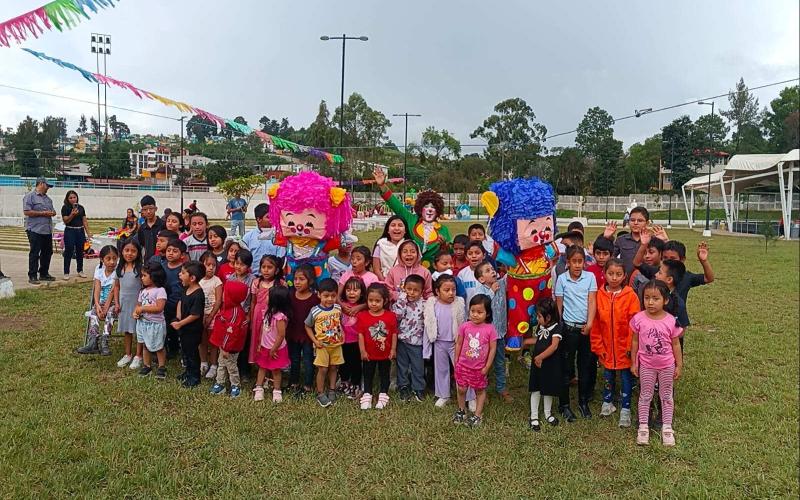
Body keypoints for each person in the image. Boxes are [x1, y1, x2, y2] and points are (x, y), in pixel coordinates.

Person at [631, 280, 684, 447]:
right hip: (646, 365)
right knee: (645, 395)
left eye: (655, 298)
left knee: (666, 396)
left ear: (665, 300)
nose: (650, 302)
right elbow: (634, 342)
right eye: (647, 298)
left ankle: (667, 428)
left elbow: (676, 344)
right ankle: (643, 427)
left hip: (667, 365)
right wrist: (634, 362)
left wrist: (679, 365)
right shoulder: (638, 319)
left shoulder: (671, 321)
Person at [590, 258, 640, 428]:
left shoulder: (631, 296)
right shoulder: (599, 295)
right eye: (610, 274)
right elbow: (596, 322)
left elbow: (634, 324)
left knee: (626, 377)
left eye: (618, 274)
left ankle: (626, 408)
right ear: (604, 274)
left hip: (623, 348)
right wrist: (598, 346)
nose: (614, 278)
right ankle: (607, 401)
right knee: (607, 375)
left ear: (624, 276)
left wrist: (629, 347)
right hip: (606, 347)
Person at [554, 245, 598, 421]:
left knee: (585, 366)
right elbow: (559, 305)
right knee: (566, 366)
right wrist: (559, 327)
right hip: (568, 329)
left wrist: (590, 323)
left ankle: (583, 401)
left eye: (581, 261)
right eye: (574, 262)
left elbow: (592, 301)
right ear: (568, 263)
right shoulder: (562, 279)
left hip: (585, 329)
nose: (578, 265)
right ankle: (564, 404)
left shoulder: (590, 278)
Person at [452, 295, 497, 428]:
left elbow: (493, 348)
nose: (475, 315)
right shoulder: (465, 326)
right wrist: (456, 359)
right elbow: (459, 343)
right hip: (463, 366)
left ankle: (477, 414)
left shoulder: (490, 329)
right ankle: (461, 410)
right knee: (461, 388)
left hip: (479, 368)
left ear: (487, 313)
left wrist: (487, 366)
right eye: (473, 311)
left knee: (479, 391)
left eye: (480, 312)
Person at [423, 274, 466, 408]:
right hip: (440, 342)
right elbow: (428, 325)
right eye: (446, 290)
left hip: (456, 343)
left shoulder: (459, 304)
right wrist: (426, 348)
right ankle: (443, 395)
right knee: (441, 370)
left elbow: (463, 324)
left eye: (453, 290)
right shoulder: (432, 304)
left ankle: (470, 396)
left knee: (461, 370)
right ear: (437, 291)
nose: (451, 293)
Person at [357, 283, 399, 410]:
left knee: (384, 374)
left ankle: (383, 394)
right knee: (368, 374)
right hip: (369, 354)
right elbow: (360, 335)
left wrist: (393, 349)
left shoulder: (390, 316)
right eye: (370, 300)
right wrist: (362, 351)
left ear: (385, 301)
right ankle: (367, 394)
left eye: (377, 301)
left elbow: (394, 334)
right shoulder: (363, 316)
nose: (373, 304)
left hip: (385, 354)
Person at [304, 278, 344, 408]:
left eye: (333, 296)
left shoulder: (338, 308)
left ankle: (332, 389)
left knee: (334, 368)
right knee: (323, 369)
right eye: (326, 296)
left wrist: (342, 333)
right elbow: (307, 326)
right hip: (322, 345)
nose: (330, 299)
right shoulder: (315, 311)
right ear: (319, 295)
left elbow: (339, 323)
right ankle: (320, 393)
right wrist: (315, 341)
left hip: (336, 345)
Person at [524, 297, 562, 431]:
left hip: (549, 364)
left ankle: (547, 413)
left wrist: (540, 357)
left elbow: (554, 346)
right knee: (536, 389)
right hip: (537, 364)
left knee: (548, 389)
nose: (537, 318)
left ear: (548, 317)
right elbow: (539, 340)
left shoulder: (557, 328)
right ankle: (534, 416)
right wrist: (525, 342)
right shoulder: (541, 326)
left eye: (539, 316)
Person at [474, 261, 510, 402]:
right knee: (483, 364)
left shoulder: (501, 283)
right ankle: (482, 390)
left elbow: (510, 276)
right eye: (488, 270)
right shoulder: (480, 290)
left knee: (500, 362)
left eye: (493, 269)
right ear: (482, 279)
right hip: (485, 336)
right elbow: (481, 306)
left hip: (499, 333)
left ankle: (501, 388)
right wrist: (491, 291)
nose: (493, 271)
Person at [76, 245, 120, 355]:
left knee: (110, 313)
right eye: (108, 259)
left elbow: (112, 290)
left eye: (114, 258)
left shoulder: (118, 271)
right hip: (101, 302)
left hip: (114, 302)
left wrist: (105, 308)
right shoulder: (99, 269)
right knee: (94, 312)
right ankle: (93, 342)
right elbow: (97, 288)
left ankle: (104, 340)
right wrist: (97, 304)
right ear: (101, 259)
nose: (112, 262)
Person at [209, 280, 249, 397]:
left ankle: (235, 386)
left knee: (231, 367)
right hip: (223, 346)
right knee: (221, 364)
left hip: (230, 348)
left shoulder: (235, 313)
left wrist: (226, 347)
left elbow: (231, 334)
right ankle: (220, 383)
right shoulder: (227, 308)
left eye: (225, 292)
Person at [254, 285, 292, 403]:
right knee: (262, 367)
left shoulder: (280, 317)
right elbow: (263, 328)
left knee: (276, 370)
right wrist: (260, 342)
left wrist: (274, 349)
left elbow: (281, 335)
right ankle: (259, 387)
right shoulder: (267, 311)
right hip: (265, 346)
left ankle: (277, 391)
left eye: (268, 296)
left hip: (277, 349)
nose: (266, 298)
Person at [391, 274, 426, 402]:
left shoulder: (424, 304)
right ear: (404, 289)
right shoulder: (400, 303)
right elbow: (396, 316)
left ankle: (418, 387)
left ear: (421, 292)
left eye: (415, 290)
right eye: (409, 289)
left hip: (417, 342)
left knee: (418, 366)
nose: (411, 293)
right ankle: (403, 386)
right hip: (402, 341)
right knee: (402, 365)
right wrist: (401, 300)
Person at [171, 261, 206, 388]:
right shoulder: (186, 288)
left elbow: (195, 314)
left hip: (192, 330)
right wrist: (178, 317)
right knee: (185, 351)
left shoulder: (198, 294)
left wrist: (180, 323)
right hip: (184, 328)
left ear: (192, 278)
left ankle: (194, 377)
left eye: (183, 273)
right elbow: (180, 301)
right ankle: (188, 372)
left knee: (192, 354)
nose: (179, 275)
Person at [248, 255, 284, 374]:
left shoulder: (281, 284)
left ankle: (273, 367)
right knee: (258, 340)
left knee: (271, 340)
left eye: (270, 267)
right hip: (258, 316)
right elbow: (253, 301)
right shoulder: (256, 282)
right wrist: (252, 318)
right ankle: (261, 366)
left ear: (277, 270)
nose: (266, 270)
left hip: (273, 319)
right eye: (263, 267)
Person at [287, 264, 320, 395]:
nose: (297, 282)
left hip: (308, 336)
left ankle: (308, 385)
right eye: (295, 279)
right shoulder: (290, 296)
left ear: (310, 281)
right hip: (293, 334)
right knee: (294, 359)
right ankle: (293, 382)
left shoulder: (315, 299)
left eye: (301, 279)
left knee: (308, 361)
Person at [133, 262, 168, 380]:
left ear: (154, 276)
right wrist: (135, 313)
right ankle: (147, 365)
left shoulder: (160, 291)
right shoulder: (142, 291)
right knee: (145, 345)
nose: (142, 278)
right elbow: (138, 305)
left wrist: (143, 308)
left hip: (155, 324)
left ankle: (162, 366)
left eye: (144, 275)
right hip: (142, 323)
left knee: (158, 346)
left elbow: (159, 308)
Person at [226, 249, 256, 379]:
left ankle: (245, 370)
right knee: (233, 341)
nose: (238, 267)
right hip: (232, 316)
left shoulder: (252, 280)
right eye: (237, 263)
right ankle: (232, 367)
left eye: (242, 264)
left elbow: (253, 300)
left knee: (244, 343)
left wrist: (249, 316)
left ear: (248, 267)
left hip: (244, 315)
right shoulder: (231, 278)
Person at [114, 240, 143, 370]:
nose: (129, 253)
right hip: (124, 303)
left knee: (139, 330)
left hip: (137, 303)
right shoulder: (120, 268)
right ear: (122, 251)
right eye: (127, 250)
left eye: (133, 251)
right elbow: (116, 287)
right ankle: (127, 354)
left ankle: (138, 356)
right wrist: (117, 303)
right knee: (127, 329)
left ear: (138, 253)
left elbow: (144, 287)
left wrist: (140, 304)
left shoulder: (140, 269)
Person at [23, 177, 57, 285]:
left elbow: (52, 211)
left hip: (46, 230)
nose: (48, 189)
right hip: (34, 229)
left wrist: (52, 213)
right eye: (47, 186)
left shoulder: (48, 199)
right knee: (35, 252)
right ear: (41, 184)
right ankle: (32, 275)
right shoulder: (30, 196)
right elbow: (27, 212)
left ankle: (44, 273)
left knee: (47, 252)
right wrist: (43, 213)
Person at [340, 277, 367, 399]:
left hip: (357, 342)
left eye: (356, 290)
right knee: (343, 364)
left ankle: (356, 385)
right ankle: (344, 383)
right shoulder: (342, 306)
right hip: (343, 341)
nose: (351, 293)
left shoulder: (362, 308)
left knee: (356, 364)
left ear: (361, 292)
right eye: (348, 290)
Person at [242, 203, 286, 275]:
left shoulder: (278, 237)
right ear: (259, 219)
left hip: (272, 278)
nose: (272, 220)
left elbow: (280, 259)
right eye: (268, 217)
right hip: (252, 278)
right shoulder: (248, 238)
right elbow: (244, 260)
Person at [198, 252, 223, 380]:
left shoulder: (217, 281)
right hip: (200, 316)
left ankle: (213, 365)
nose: (211, 268)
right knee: (202, 340)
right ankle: (203, 362)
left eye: (213, 265)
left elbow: (218, 301)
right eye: (208, 265)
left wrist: (211, 316)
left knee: (213, 342)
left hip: (213, 316)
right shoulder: (199, 281)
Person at [61, 190, 91, 280]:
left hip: (80, 231)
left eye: (74, 197)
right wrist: (72, 214)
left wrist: (88, 232)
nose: (73, 199)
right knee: (69, 251)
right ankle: (66, 272)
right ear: (67, 199)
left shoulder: (81, 208)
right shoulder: (65, 208)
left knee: (80, 251)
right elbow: (66, 221)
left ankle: (80, 270)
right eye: (70, 198)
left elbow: (84, 220)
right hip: (70, 231)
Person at [372, 215, 411, 281]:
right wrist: (386, 283)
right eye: (393, 225)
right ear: (388, 230)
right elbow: (376, 269)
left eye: (400, 225)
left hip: (407, 283)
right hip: (384, 281)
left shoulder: (411, 245)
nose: (396, 228)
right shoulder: (381, 244)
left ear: (405, 230)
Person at [457, 241, 488, 307]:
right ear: (466, 257)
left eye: (477, 253)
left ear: (484, 255)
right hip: (469, 313)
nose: (474, 256)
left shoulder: (490, 271)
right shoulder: (462, 274)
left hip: (487, 312)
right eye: (470, 253)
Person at [136, 195, 165, 262]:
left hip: (162, 261)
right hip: (147, 261)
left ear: (156, 208)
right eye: (145, 209)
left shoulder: (163, 225)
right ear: (142, 211)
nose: (148, 211)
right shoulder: (142, 228)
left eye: (151, 208)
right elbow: (142, 244)